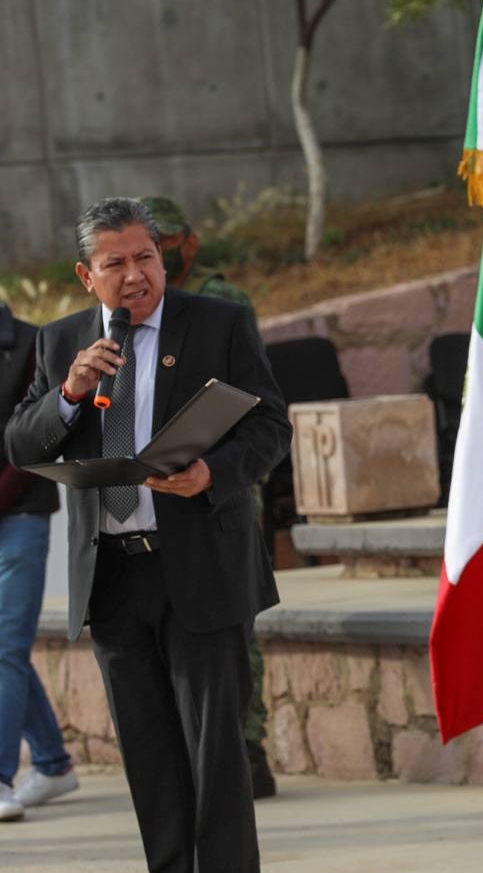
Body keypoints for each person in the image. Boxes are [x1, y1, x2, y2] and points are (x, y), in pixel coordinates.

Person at [5, 197, 291, 872]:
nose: (135, 275)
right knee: (150, 759)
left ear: (163, 258)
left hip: (198, 566)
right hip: (113, 579)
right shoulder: (60, 342)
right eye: (116, 263)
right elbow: (20, 444)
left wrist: (211, 472)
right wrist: (70, 393)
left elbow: (270, 426)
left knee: (215, 756)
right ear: (86, 274)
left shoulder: (219, 323)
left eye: (146, 257)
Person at [139, 195, 275, 799]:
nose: (156, 257)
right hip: (159, 494)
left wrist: (218, 471)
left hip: (223, 480)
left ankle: (247, 747)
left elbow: (257, 409)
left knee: (233, 625)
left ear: (187, 244)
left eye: (162, 243)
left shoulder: (220, 302)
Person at [0, 302, 78, 821]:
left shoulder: (35, 342)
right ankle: (52, 764)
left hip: (20, 512)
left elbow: (39, 438)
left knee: (5, 645)